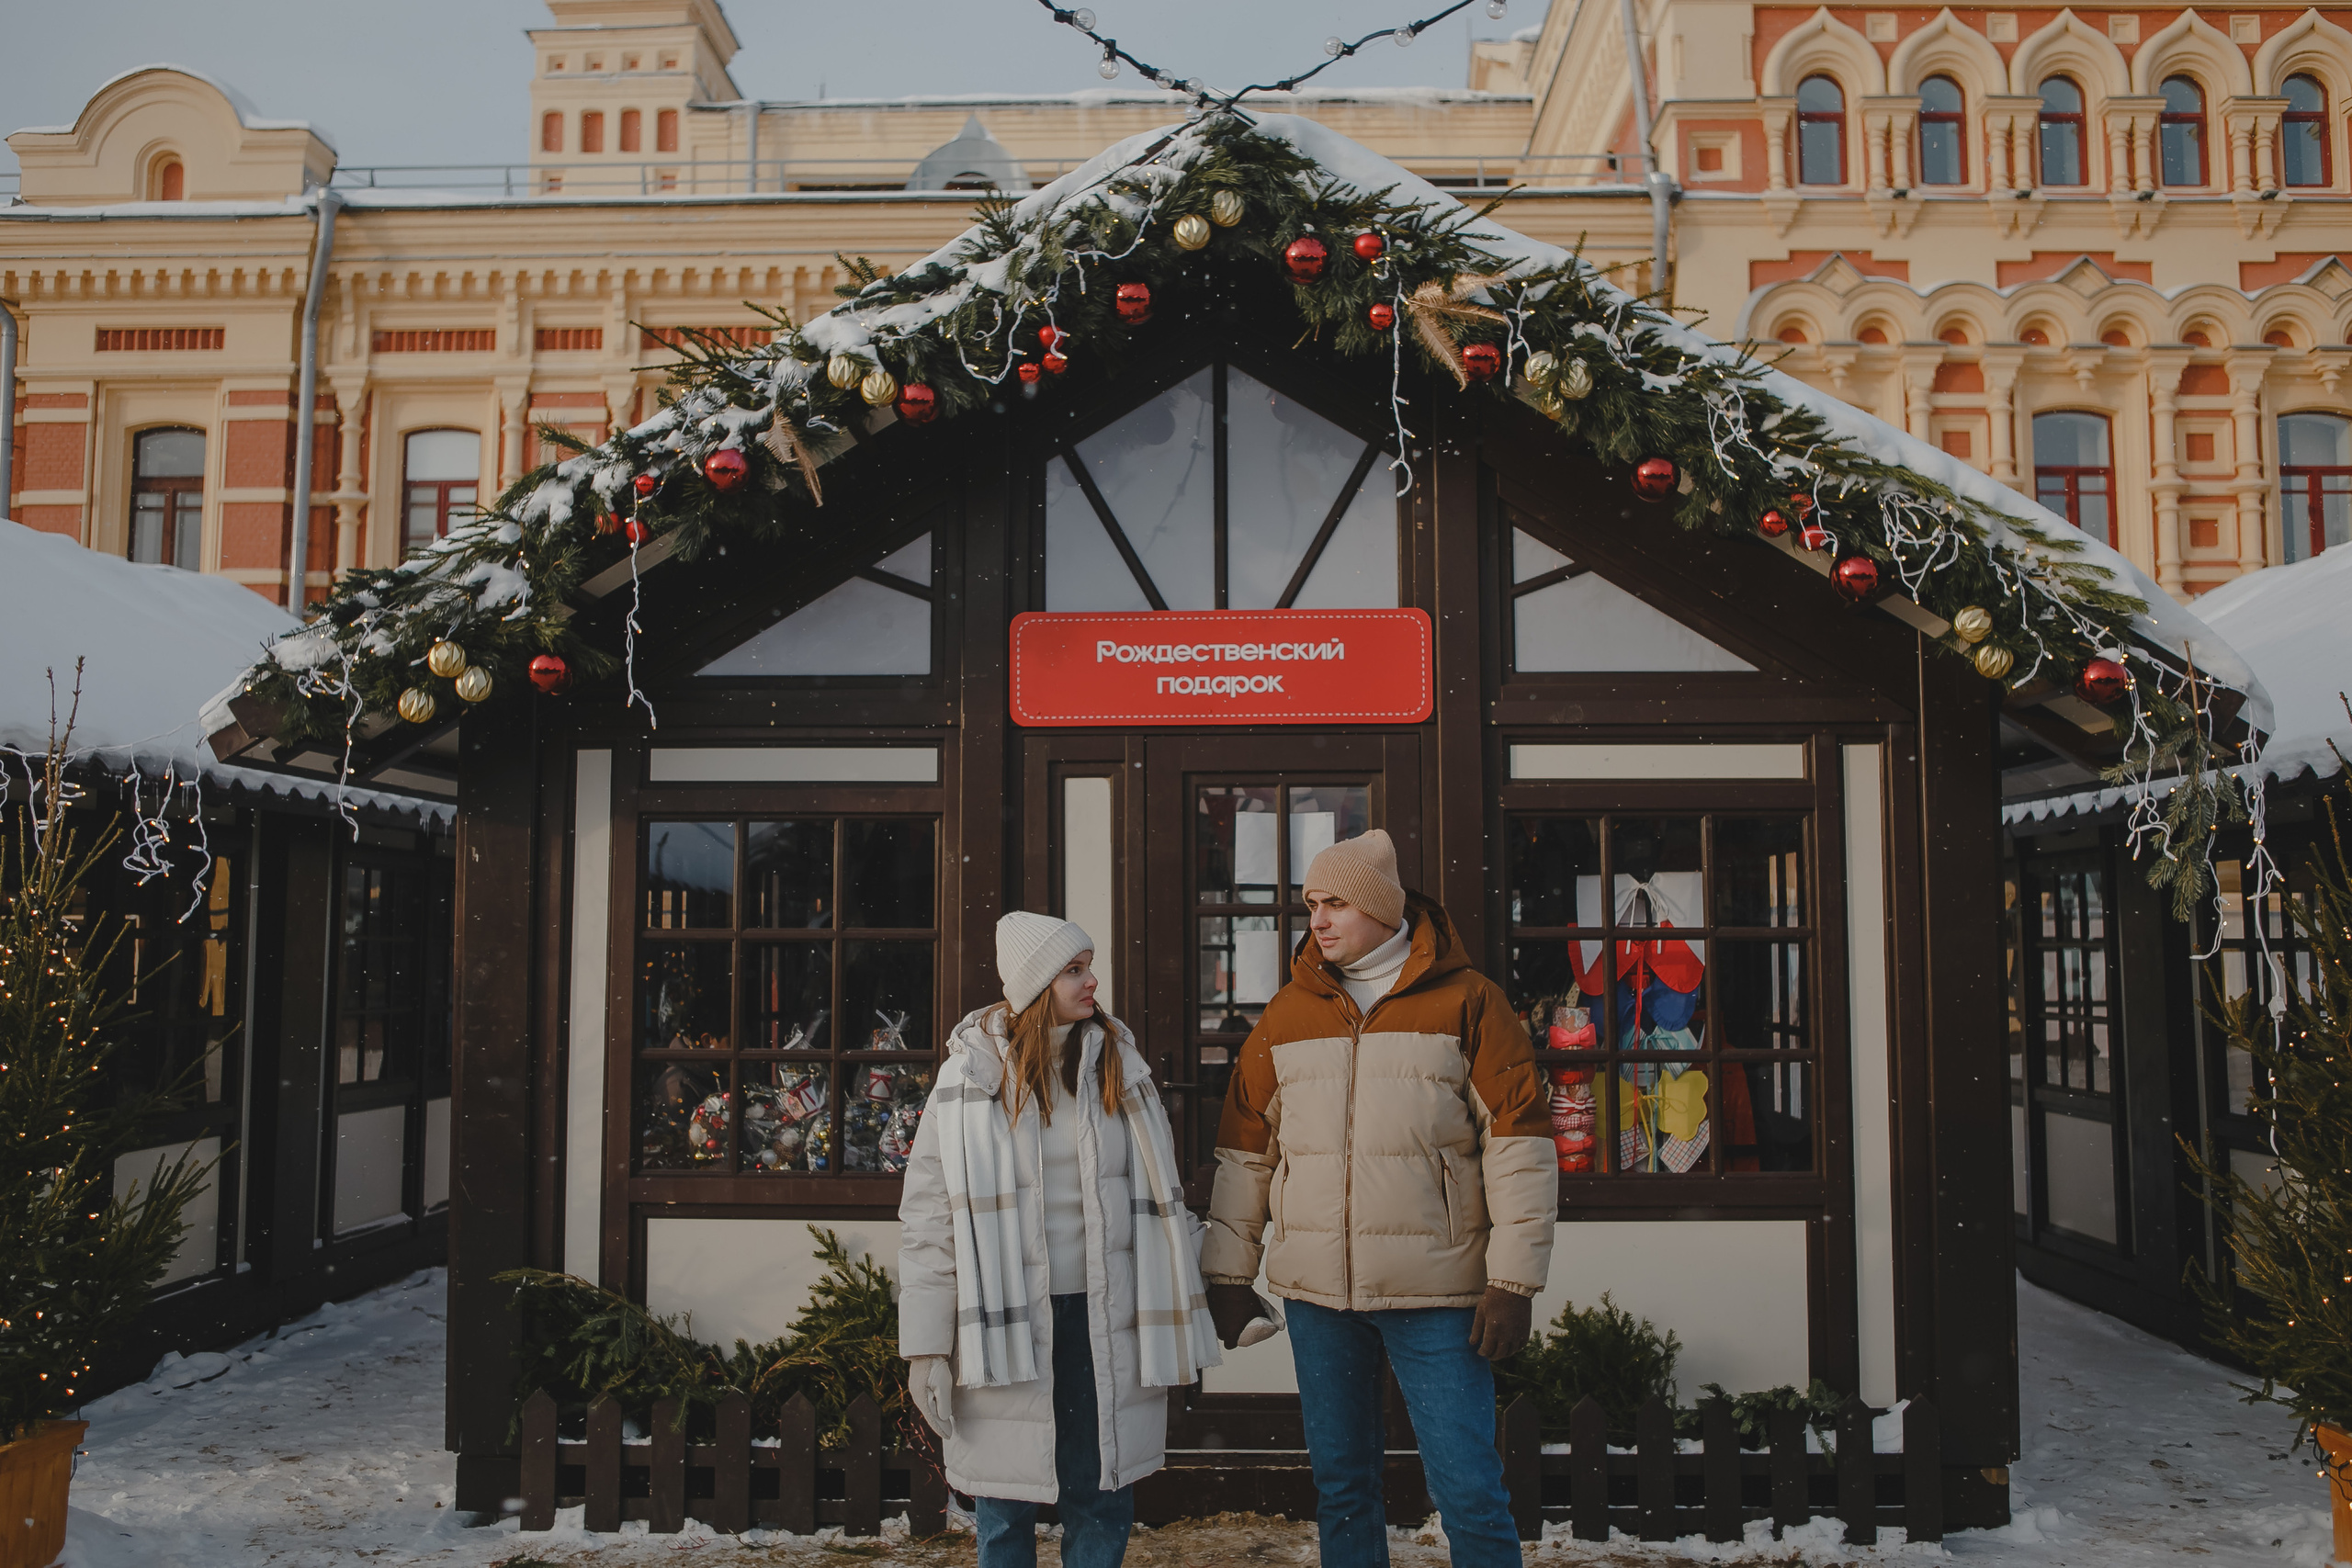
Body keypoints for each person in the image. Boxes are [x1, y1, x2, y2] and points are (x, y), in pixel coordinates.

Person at [1199, 829, 1555, 1568]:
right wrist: (1228, 1275)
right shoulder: (1286, 1015)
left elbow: (1518, 1149)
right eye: (1311, 903)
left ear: (1384, 909)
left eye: (1336, 903)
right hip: (1319, 1296)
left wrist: (1514, 1280)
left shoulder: (1471, 1004)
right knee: (1343, 1487)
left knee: (1467, 1489)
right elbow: (1245, 1158)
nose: (1319, 919)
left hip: (1439, 1293)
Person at [898, 912, 1221, 1568]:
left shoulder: (1117, 1070)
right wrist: (927, 1347)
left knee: (1100, 1492)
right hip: (1003, 1322)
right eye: (1074, 969)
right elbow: (930, 1221)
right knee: (1003, 1500)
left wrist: (1223, 1280)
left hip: (1103, 1314)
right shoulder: (968, 1083)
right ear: (1038, 982)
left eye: (1089, 964)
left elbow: (1160, 1202)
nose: (1092, 979)